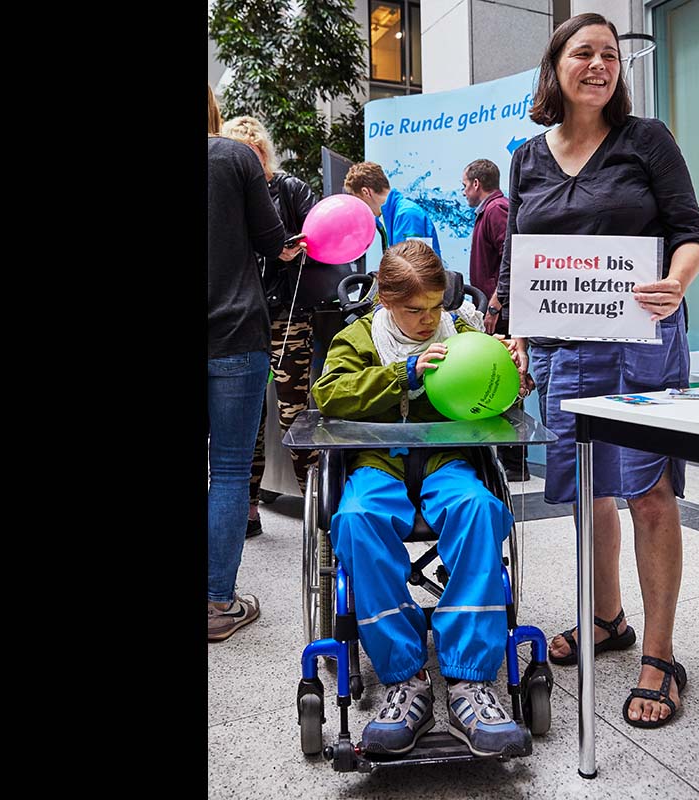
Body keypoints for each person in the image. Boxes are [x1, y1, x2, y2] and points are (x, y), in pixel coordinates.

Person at [497, 14, 699, 728]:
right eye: (584, 52)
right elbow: (517, 259)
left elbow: (691, 232)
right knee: (584, 491)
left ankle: (659, 655)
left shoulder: (646, 140)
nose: (599, 64)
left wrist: (678, 282)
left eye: (610, 55)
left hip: (640, 339)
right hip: (563, 347)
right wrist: (518, 335)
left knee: (648, 492)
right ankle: (607, 618)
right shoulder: (527, 156)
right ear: (554, 65)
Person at [311, 240, 528, 758]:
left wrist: (515, 372)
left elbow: (500, 388)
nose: (429, 321)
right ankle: (405, 679)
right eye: (414, 310)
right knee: (357, 518)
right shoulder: (358, 337)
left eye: (436, 308)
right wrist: (400, 375)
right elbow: (329, 394)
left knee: (478, 509)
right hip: (378, 462)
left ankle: (469, 680)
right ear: (385, 301)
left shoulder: (465, 332)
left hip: (447, 462)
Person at [207, 83, 304, 641]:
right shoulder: (235, 157)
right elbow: (272, 240)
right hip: (236, 334)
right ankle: (218, 604)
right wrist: (289, 247)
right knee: (227, 472)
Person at [221, 115, 321, 536]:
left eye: (255, 153)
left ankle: (318, 505)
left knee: (294, 413)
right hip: (241, 318)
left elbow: (320, 239)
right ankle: (247, 510)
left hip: (287, 317)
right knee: (246, 418)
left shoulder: (290, 188)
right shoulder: (226, 193)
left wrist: (292, 250)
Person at [461, 158, 529, 482]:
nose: (463, 192)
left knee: (510, 379)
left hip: (502, 314)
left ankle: (515, 463)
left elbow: (511, 256)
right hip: (494, 313)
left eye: (464, 185)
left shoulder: (497, 209)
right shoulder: (488, 212)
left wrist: (497, 303)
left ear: (476, 184)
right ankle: (507, 459)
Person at [344, 161, 441, 254]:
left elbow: (412, 266)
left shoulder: (407, 214)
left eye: (359, 199)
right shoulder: (389, 216)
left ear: (366, 192)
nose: (361, 206)